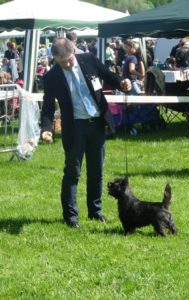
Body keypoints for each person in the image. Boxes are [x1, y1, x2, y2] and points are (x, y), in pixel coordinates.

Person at [41, 37, 131, 228]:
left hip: (97, 123)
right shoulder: (51, 77)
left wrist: (122, 82)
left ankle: (95, 211)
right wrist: (47, 129)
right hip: (75, 128)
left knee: (96, 172)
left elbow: (108, 75)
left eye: (67, 60)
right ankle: (71, 218)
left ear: (73, 51)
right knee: (72, 174)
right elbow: (48, 107)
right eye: (60, 62)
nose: (65, 64)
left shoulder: (89, 59)